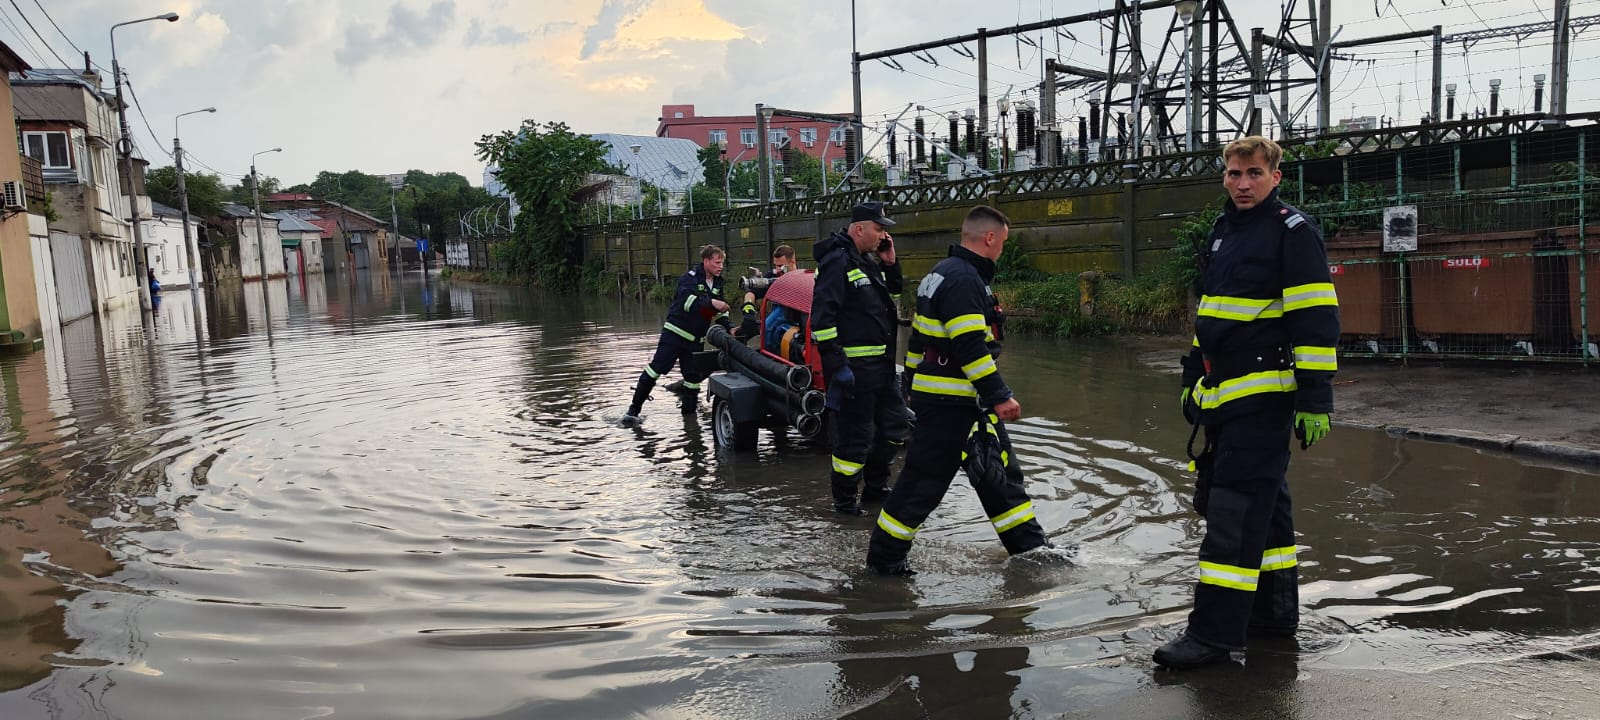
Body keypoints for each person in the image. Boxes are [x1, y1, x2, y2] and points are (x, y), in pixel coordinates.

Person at [1155, 135, 1340, 669]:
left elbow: (1316, 318)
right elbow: (1211, 313)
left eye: (1254, 174)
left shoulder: (1294, 232)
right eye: (1234, 174)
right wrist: (1192, 373)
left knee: (1233, 512)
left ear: (1275, 177)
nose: (1242, 184)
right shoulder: (1223, 230)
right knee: (1267, 507)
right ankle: (1272, 617)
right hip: (1225, 392)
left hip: (1266, 396)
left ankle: (1212, 636)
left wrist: (1315, 398)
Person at [864, 205, 1051, 576]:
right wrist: (999, 395)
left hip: (963, 403)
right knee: (922, 486)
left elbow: (916, 341)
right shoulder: (963, 280)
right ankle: (884, 563)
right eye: (1003, 243)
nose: (1002, 250)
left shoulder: (939, 274)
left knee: (1001, 478)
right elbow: (969, 345)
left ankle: (1033, 552)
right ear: (990, 238)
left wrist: (910, 385)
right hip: (950, 406)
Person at [811, 202, 909, 515]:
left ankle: (875, 488)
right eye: (879, 229)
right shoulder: (836, 262)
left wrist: (890, 264)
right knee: (855, 440)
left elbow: (892, 298)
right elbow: (821, 321)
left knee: (895, 426)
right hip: (854, 371)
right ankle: (844, 503)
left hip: (881, 369)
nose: (883, 235)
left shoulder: (867, 260)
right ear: (859, 229)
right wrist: (838, 367)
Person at [622, 245, 731, 425]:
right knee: (656, 369)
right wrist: (712, 303)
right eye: (717, 262)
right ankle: (633, 411)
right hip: (674, 336)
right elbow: (688, 304)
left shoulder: (719, 283)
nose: (721, 267)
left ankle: (689, 423)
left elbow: (718, 312)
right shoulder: (689, 279)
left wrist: (729, 327)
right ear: (706, 261)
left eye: (722, 263)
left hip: (696, 340)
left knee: (693, 380)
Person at [736, 245, 798, 339]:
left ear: (792, 262)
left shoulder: (803, 278)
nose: (777, 270)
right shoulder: (772, 276)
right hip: (778, 324)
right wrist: (748, 312)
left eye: (781, 266)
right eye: (775, 265)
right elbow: (751, 293)